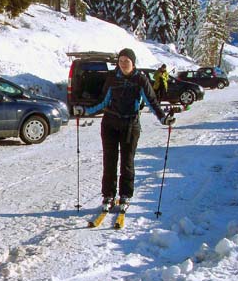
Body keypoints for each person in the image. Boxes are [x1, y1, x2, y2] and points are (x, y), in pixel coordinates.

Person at [72, 48, 175, 212]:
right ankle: (108, 196)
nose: (123, 64)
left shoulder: (140, 79)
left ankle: (125, 195)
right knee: (109, 162)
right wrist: (84, 111)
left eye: (126, 61)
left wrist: (163, 118)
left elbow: (151, 101)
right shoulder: (112, 78)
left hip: (130, 125)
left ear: (133, 63)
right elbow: (102, 101)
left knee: (127, 162)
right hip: (110, 124)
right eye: (120, 61)